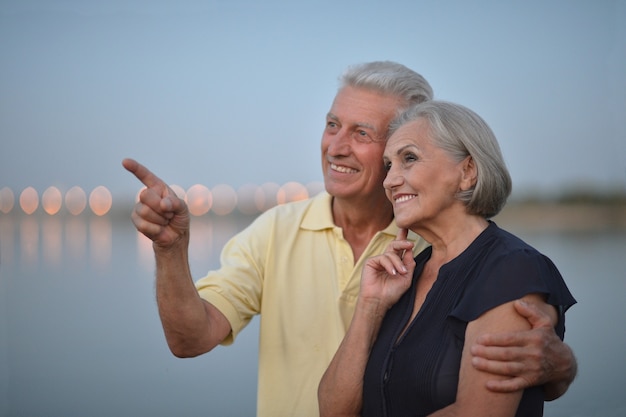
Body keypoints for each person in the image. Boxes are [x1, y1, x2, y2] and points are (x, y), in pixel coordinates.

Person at [122, 61, 577, 417]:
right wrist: (170, 250)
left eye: (362, 133)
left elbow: (495, 385)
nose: (336, 146)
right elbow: (189, 339)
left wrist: (558, 370)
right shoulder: (276, 230)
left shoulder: (449, 249)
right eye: (332, 124)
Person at [318, 100, 577, 417]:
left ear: (467, 171)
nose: (389, 181)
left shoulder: (512, 270)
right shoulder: (406, 273)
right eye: (388, 165)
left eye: (408, 159)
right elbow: (333, 410)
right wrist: (369, 306)